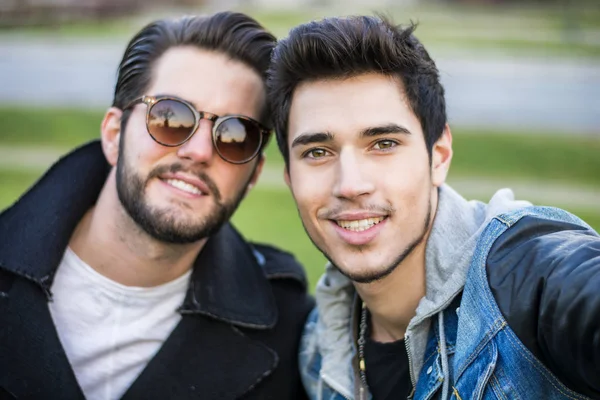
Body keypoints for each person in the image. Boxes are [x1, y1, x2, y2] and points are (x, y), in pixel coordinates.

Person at [267, 15, 600, 400]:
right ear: (290, 178)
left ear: (438, 156)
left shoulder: (521, 273)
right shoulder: (318, 350)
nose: (350, 185)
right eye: (318, 152)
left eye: (384, 143)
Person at [0, 12, 313, 399]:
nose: (198, 151)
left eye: (235, 134)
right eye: (171, 117)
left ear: (252, 174)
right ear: (114, 135)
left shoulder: (291, 330)